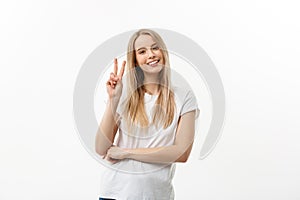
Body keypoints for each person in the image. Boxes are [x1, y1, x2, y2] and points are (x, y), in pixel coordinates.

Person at [95, 29, 200, 200]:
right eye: (142, 51)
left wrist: (126, 152)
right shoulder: (124, 95)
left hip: (157, 195)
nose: (151, 54)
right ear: (135, 61)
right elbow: (101, 147)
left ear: (163, 52)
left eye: (155, 48)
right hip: (116, 193)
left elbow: (182, 153)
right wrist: (113, 100)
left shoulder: (184, 97)